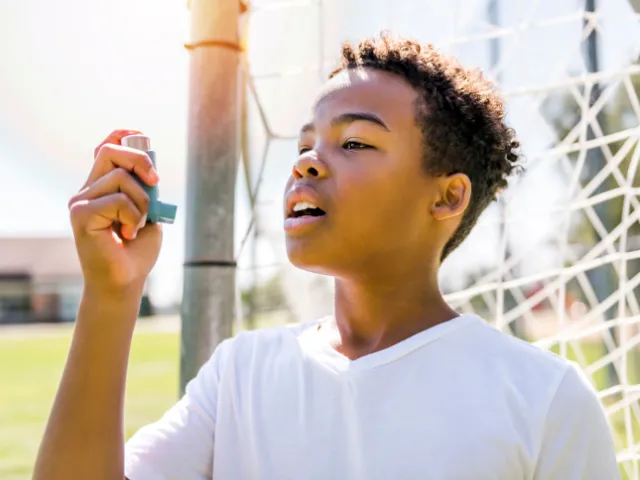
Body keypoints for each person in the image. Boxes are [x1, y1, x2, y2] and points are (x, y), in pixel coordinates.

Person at [33, 33, 620, 480]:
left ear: (446, 196)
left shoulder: (545, 398)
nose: (306, 163)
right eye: (305, 144)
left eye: (355, 142)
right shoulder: (239, 374)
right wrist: (111, 295)